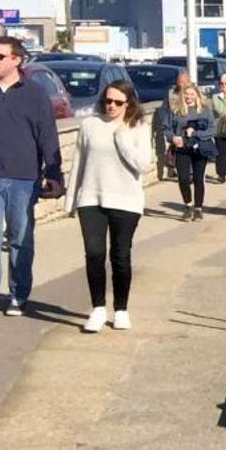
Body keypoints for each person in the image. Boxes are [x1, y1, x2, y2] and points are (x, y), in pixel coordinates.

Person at [0, 35, 65, 320]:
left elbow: (47, 134)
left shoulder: (34, 93)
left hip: (24, 178)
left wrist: (53, 172)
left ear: (16, 60)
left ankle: (18, 294)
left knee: (20, 238)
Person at [67, 79, 150, 331]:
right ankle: (98, 308)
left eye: (117, 102)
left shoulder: (137, 126)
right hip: (91, 198)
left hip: (126, 200)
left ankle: (121, 309)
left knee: (120, 256)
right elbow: (78, 162)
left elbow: (143, 165)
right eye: (107, 100)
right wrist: (71, 200)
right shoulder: (90, 125)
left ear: (128, 103)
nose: (111, 106)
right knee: (94, 254)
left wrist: (122, 139)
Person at [155, 74, 218, 220]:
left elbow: (212, 129)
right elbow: (166, 128)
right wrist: (173, 138)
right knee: (183, 178)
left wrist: (196, 133)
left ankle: (198, 208)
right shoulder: (176, 111)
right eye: (187, 94)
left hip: (199, 147)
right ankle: (188, 205)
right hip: (182, 148)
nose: (189, 97)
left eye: (192, 94)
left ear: (197, 95)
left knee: (198, 178)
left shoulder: (205, 110)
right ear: (183, 95)